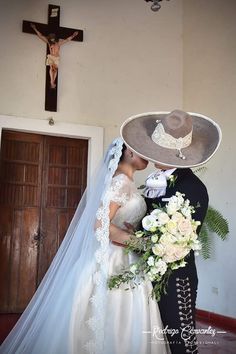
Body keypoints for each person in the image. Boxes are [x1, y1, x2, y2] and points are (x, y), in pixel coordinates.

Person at [0, 138, 170, 354]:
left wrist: (136, 235)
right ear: (128, 150)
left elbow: (118, 222)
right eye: (142, 150)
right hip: (113, 258)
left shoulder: (126, 181)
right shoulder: (121, 182)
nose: (147, 155)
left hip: (125, 257)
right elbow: (101, 226)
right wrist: (143, 243)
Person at [121, 109, 222, 354]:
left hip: (176, 280)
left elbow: (181, 242)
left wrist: (132, 240)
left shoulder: (193, 188)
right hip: (147, 276)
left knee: (181, 344)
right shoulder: (155, 181)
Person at [30, 23, 78, 88]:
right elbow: (40, 36)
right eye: (51, 38)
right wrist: (34, 28)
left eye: (52, 38)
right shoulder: (49, 43)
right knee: (51, 68)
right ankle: (52, 81)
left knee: (55, 69)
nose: (52, 39)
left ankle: (52, 82)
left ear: (55, 38)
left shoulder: (59, 43)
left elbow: (67, 40)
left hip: (56, 58)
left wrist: (73, 35)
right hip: (51, 57)